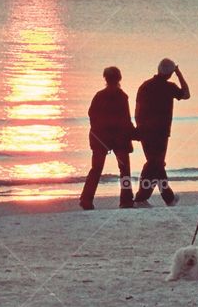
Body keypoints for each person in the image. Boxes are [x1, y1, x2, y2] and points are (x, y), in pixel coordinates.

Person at [133, 58, 190, 207]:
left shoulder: (145, 86)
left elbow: (137, 110)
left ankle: (168, 197)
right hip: (160, 132)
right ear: (170, 73)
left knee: (156, 164)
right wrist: (179, 74)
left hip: (145, 131)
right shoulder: (169, 87)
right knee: (155, 164)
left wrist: (138, 128)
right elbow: (186, 94)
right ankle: (141, 198)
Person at [79, 67, 137, 210]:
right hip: (118, 138)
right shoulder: (122, 96)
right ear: (119, 79)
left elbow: (91, 115)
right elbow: (126, 120)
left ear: (105, 79)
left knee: (96, 169)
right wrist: (135, 134)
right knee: (124, 170)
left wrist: (99, 132)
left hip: (101, 138)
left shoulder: (99, 95)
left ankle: (86, 199)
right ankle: (126, 200)